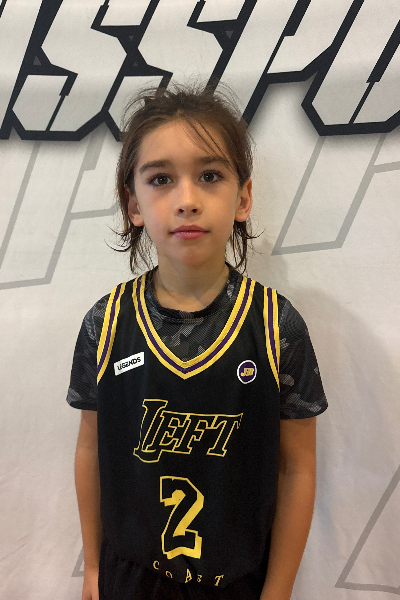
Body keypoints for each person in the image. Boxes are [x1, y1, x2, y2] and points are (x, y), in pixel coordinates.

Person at [67, 84, 327, 600]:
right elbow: (90, 448)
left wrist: (278, 592)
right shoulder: (105, 323)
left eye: (209, 176)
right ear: (133, 203)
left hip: (237, 583)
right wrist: (93, 569)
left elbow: (296, 468)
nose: (187, 201)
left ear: (243, 197)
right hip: (129, 577)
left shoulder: (277, 326)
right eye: (160, 179)